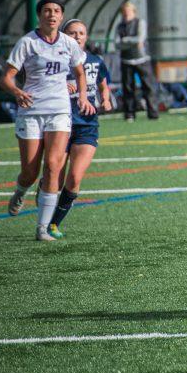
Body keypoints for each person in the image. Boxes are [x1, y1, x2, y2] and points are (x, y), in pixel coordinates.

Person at [0, 0, 94, 241]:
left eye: (56, 11)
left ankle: (42, 228)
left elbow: (79, 72)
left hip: (60, 111)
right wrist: (18, 92)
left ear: (61, 17)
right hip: (31, 112)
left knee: (53, 166)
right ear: (39, 15)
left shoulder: (69, 43)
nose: (51, 14)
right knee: (30, 173)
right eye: (46, 11)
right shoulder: (27, 43)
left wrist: (83, 96)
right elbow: (6, 78)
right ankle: (21, 191)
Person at [47, 19, 113, 239]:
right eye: (72, 33)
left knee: (74, 178)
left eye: (81, 33)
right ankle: (44, 192)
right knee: (55, 175)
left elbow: (103, 81)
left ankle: (54, 224)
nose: (77, 36)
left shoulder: (95, 61)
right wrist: (59, 85)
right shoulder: (55, 61)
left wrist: (105, 98)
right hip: (60, 123)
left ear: (86, 37)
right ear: (64, 35)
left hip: (87, 124)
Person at [115, 2, 158, 121]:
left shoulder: (140, 22)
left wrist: (126, 40)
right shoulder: (119, 26)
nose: (126, 13)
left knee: (148, 87)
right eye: (124, 11)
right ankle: (129, 114)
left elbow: (140, 39)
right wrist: (132, 42)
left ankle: (153, 114)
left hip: (142, 59)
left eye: (129, 10)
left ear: (133, 11)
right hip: (126, 60)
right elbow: (117, 44)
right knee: (128, 88)